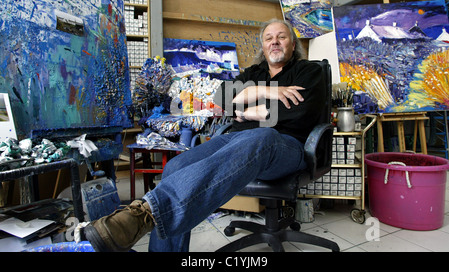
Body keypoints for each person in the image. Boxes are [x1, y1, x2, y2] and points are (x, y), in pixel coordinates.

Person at [80, 19, 326, 252]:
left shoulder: (308, 71)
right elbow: (221, 100)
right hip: (235, 139)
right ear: (262, 46)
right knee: (175, 168)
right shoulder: (253, 73)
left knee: (262, 137)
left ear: (292, 44)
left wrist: (246, 111)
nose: (275, 41)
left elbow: (298, 111)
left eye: (281, 37)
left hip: (284, 147)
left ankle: (145, 213)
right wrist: (260, 89)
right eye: (269, 38)